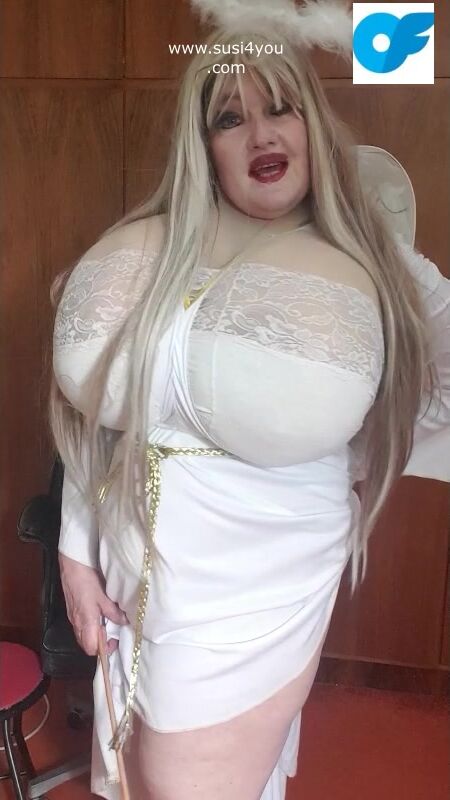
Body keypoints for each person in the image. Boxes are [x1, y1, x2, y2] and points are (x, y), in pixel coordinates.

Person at [49, 8, 450, 800]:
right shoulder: (160, 246)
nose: (261, 133)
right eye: (230, 119)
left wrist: (358, 447)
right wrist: (74, 549)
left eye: (281, 108)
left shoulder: (374, 262)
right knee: (132, 766)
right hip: (133, 545)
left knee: (191, 784)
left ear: (311, 122)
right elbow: (99, 410)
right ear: (203, 147)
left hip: (259, 565)